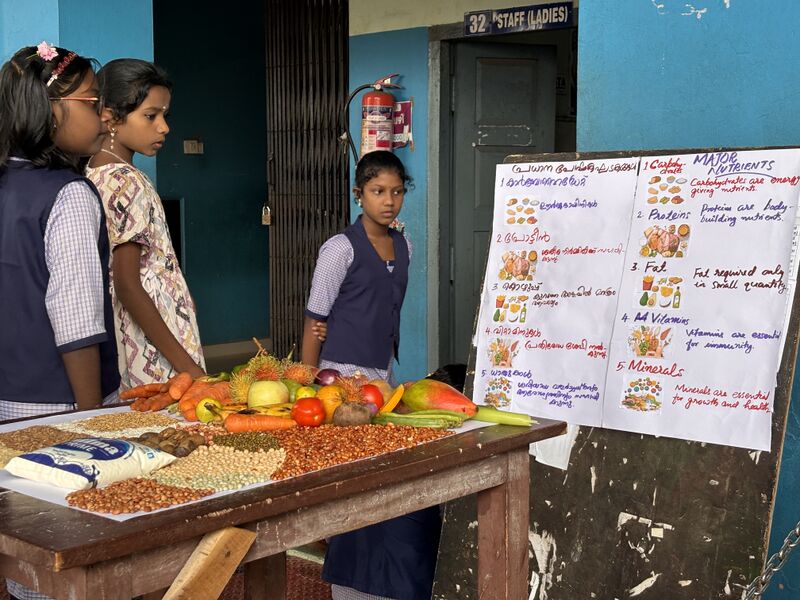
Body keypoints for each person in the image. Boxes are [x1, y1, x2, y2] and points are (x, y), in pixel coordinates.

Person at [0, 42, 121, 600]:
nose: (104, 118)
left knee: (19, 556)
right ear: (53, 111)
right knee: (64, 563)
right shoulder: (69, 195)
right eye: (94, 102)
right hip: (54, 407)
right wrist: (91, 426)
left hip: (5, 401)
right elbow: (74, 317)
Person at [302, 150, 440, 600]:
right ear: (358, 194)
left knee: (370, 471)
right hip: (337, 377)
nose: (389, 201)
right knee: (343, 470)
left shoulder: (406, 245)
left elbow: (388, 307)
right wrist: (306, 379)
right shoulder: (339, 248)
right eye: (378, 192)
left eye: (397, 192)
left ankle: (365, 557)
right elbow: (315, 316)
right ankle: (333, 540)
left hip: (379, 374)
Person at [86, 59, 205, 388]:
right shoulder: (127, 181)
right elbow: (127, 284)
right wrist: (189, 369)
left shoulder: (92, 174)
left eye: (164, 115)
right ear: (111, 116)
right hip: (156, 348)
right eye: (150, 116)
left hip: (125, 338)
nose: (164, 127)